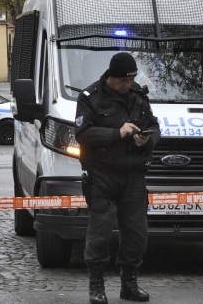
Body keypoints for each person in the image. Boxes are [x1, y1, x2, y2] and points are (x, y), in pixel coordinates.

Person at [74, 52, 160, 304]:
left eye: (131, 80)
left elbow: (155, 126)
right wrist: (117, 133)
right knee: (100, 231)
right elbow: (83, 133)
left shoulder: (138, 96)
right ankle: (96, 284)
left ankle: (129, 283)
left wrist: (148, 138)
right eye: (123, 81)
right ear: (112, 77)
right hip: (101, 174)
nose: (127, 85)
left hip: (133, 174)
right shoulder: (90, 97)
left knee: (136, 232)